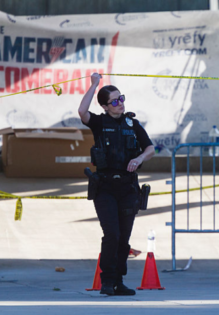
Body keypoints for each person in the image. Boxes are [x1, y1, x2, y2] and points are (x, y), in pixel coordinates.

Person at [78, 73, 155, 296]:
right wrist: (94, 85)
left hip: (128, 189)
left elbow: (150, 148)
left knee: (124, 237)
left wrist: (139, 159)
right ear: (104, 106)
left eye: (121, 99)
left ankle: (119, 281)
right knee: (111, 233)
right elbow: (82, 112)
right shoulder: (100, 123)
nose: (120, 104)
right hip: (105, 188)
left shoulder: (133, 124)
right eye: (114, 101)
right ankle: (107, 280)